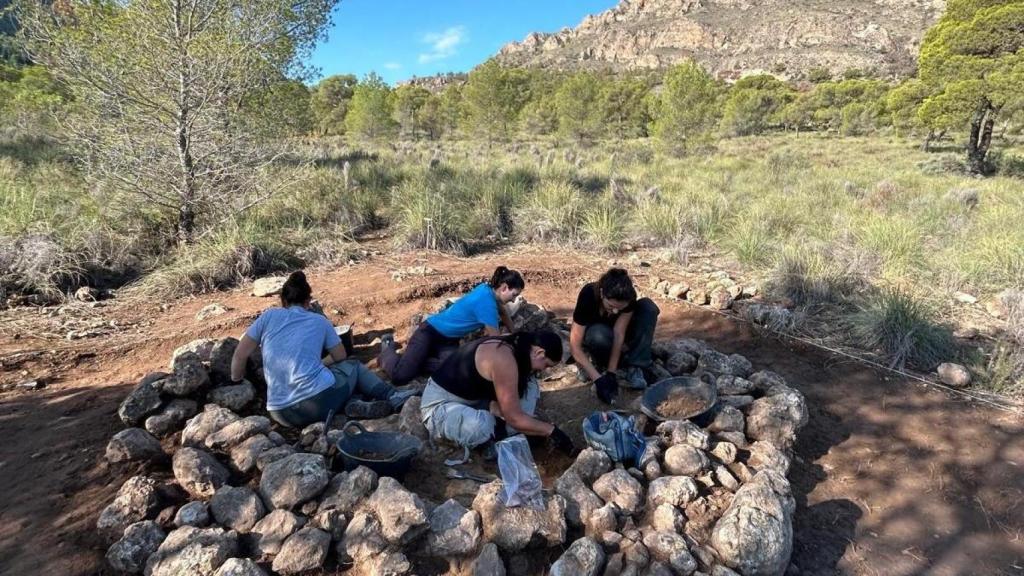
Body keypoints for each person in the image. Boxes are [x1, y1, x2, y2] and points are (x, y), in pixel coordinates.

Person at [230, 271, 416, 428]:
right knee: (352, 367)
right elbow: (341, 355)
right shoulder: (319, 321)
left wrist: (236, 380)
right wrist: (321, 363)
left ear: (283, 300)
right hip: (317, 402)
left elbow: (240, 354)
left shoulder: (268, 316)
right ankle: (391, 396)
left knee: (333, 383)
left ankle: (352, 404)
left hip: (280, 413)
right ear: (308, 301)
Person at [419, 330, 575, 455]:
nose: (543, 370)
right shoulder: (504, 358)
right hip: (440, 405)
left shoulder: (519, 344)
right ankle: (499, 437)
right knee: (482, 426)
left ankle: (509, 429)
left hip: (475, 398)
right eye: (546, 365)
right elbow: (513, 418)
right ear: (539, 353)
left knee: (530, 384)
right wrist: (552, 431)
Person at [379, 266, 525, 385]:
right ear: (504, 287)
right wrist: (516, 348)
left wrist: (515, 332)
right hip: (429, 332)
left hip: (448, 340)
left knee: (452, 370)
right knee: (401, 377)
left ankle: (415, 360)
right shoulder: (486, 303)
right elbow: (495, 340)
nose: (513, 300)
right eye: (514, 295)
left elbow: (503, 313)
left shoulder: (488, 289)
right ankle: (387, 349)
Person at [570, 267, 660, 403]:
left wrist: (611, 373)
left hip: (615, 338)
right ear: (602, 293)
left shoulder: (628, 297)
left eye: (620, 308)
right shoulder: (588, 294)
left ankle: (636, 366)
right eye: (611, 306)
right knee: (598, 334)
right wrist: (598, 380)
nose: (616, 311)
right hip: (597, 337)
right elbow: (574, 346)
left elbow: (619, 334)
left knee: (648, 307)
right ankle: (596, 362)